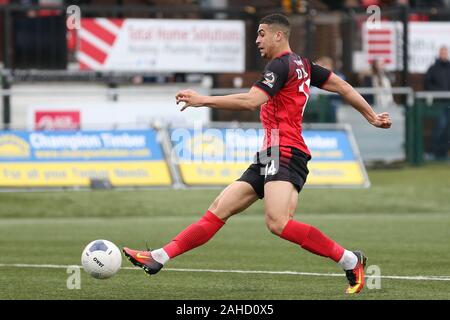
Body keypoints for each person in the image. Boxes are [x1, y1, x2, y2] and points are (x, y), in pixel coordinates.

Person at [123, 14, 392, 294]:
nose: (257, 40)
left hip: (286, 151)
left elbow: (252, 100)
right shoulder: (304, 65)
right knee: (219, 209)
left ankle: (350, 260)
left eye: (262, 34)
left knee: (277, 222)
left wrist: (203, 100)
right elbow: (345, 87)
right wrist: (371, 116)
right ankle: (158, 257)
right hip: (270, 153)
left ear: (279, 35)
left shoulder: (281, 64)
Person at [424, 46, 450, 160]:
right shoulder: (433, 69)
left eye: (445, 52)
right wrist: (439, 94)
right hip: (439, 105)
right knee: (439, 128)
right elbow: (428, 84)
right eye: (442, 52)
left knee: (446, 130)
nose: (444, 54)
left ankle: (444, 153)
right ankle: (433, 153)